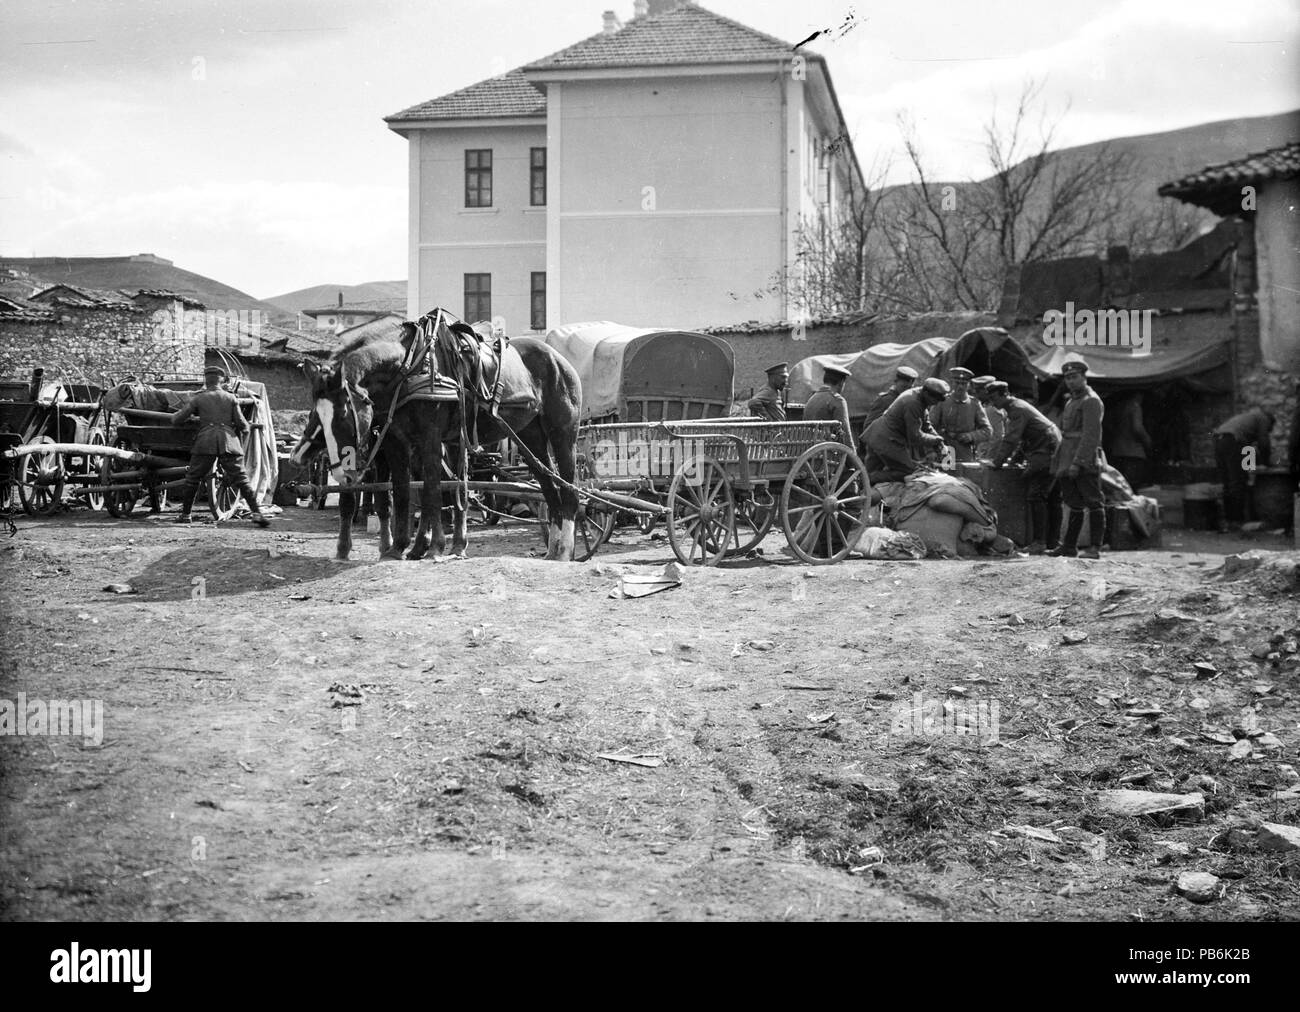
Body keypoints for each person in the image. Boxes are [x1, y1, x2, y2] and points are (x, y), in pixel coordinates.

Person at [171, 365, 270, 526]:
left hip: (205, 443)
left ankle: (186, 514)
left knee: (192, 479)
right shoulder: (231, 398)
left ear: (206, 380)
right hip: (229, 443)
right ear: (222, 380)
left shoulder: (198, 398)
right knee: (242, 480)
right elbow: (243, 426)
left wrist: (174, 416)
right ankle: (257, 514)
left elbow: (177, 419)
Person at [988, 381, 1062, 554]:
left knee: (1037, 496)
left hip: (1046, 451)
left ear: (1004, 394)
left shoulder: (1016, 410)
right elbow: (1024, 439)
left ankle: (1040, 542)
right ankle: (1053, 542)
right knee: (1052, 499)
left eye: (994, 398)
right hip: (1051, 449)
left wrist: (997, 462)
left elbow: (1012, 439)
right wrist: (1014, 460)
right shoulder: (1017, 407)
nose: (993, 403)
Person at [1048, 357, 1104, 559]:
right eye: (1068, 378)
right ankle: (1069, 546)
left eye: (1074, 377)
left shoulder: (1091, 401)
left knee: (1093, 501)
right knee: (1073, 502)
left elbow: (1091, 436)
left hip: (1084, 459)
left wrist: (1078, 462)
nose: (1071, 381)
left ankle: (1095, 547)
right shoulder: (1072, 401)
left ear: (1084, 377)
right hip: (1066, 458)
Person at [863, 378, 950, 484]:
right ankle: (868, 479)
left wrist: (939, 442)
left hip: (879, 436)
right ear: (927, 393)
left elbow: (926, 425)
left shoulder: (919, 396)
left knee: (871, 471)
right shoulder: (913, 403)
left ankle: (865, 483)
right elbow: (915, 437)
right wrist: (935, 440)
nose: (935, 404)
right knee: (907, 471)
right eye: (935, 400)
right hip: (887, 440)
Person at [1213, 407, 1275, 527]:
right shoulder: (1263, 418)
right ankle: (1237, 520)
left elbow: (1249, 448)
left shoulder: (1249, 418)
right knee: (1238, 481)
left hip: (1218, 439)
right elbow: (1264, 443)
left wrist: (1252, 464)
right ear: (1270, 422)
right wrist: (1266, 463)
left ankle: (1229, 519)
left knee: (1227, 482)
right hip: (1232, 440)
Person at [930, 367, 992, 464]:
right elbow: (930, 425)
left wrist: (970, 436)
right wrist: (933, 446)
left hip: (965, 450)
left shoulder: (974, 404)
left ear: (968, 385)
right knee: (945, 476)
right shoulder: (942, 401)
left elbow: (987, 431)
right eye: (957, 383)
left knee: (964, 477)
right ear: (952, 383)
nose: (960, 387)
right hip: (944, 448)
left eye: (963, 384)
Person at [1106, 392, 1153, 493]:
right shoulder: (1134, 406)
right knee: (1132, 487)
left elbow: (1109, 426)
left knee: (1120, 486)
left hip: (1117, 450)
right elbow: (1137, 428)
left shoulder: (1117, 407)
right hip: (1133, 452)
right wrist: (1147, 440)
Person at [803, 366, 855, 448]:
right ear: (841, 383)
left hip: (808, 450)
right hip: (826, 453)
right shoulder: (837, 400)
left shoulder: (812, 398)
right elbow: (845, 436)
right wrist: (854, 458)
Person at [971, 375, 1005, 459]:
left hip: (989, 455)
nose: (975, 393)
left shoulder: (991, 410)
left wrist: (988, 458)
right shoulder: (988, 407)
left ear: (986, 391)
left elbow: (997, 437)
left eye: (978, 390)